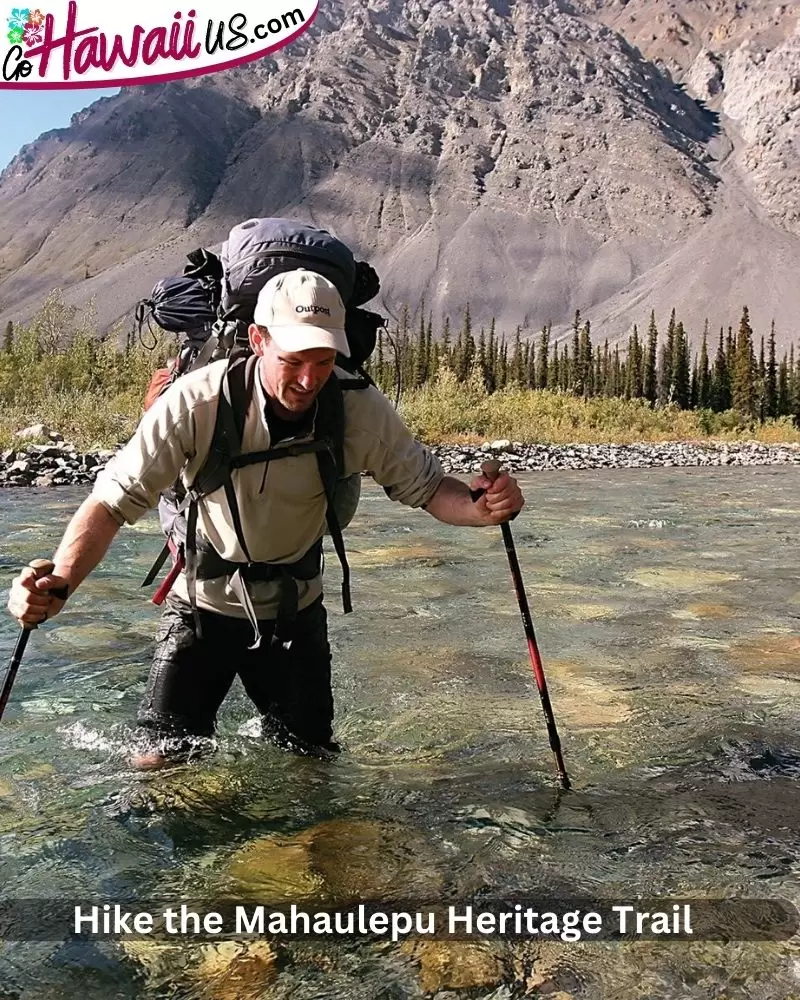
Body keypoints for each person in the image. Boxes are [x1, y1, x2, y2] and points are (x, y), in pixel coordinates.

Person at [7, 269, 524, 765]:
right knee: (155, 767)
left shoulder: (358, 408)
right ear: (257, 340)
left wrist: (483, 509)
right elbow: (111, 504)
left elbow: (430, 488)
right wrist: (59, 584)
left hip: (295, 614)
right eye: (295, 359)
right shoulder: (195, 404)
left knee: (311, 771)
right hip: (199, 611)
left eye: (323, 361)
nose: (308, 379)